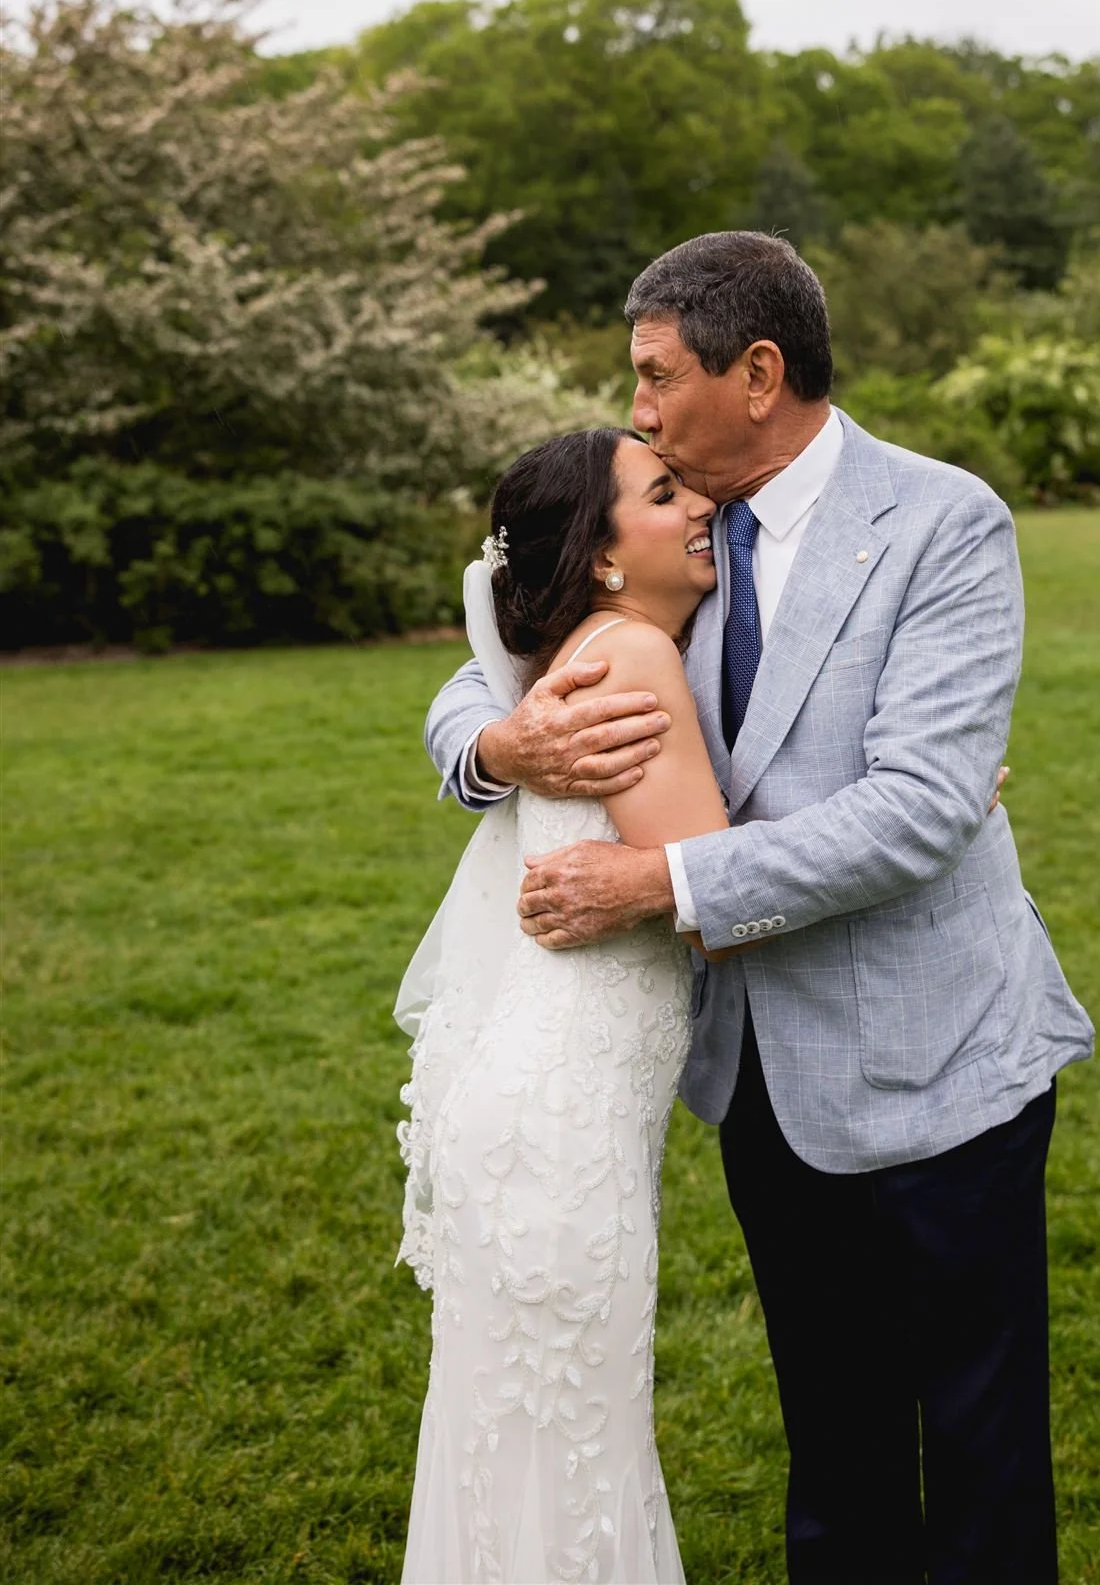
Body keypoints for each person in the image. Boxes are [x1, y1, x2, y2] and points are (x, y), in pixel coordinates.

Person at [424, 231, 1095, 1585]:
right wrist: (499, 753)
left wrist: (654, 881)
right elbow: (484, 660)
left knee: (979, 1460)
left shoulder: (941, 523)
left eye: (660, 377)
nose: (642, 412)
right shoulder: (664, 530)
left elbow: (913, 812)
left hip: (941, 1063)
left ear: (759, 371)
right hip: (762, 1082)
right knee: (835, 1458)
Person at [395, 425, 733, 1584]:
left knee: (529, 1448)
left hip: (544, 1109)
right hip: (562, 1137)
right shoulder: (632, 653)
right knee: (573, 1447)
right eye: (664, 490)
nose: (699, 503)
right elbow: (713, 889)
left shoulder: (583, 644)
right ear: (599, 554)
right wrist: (920, 807)